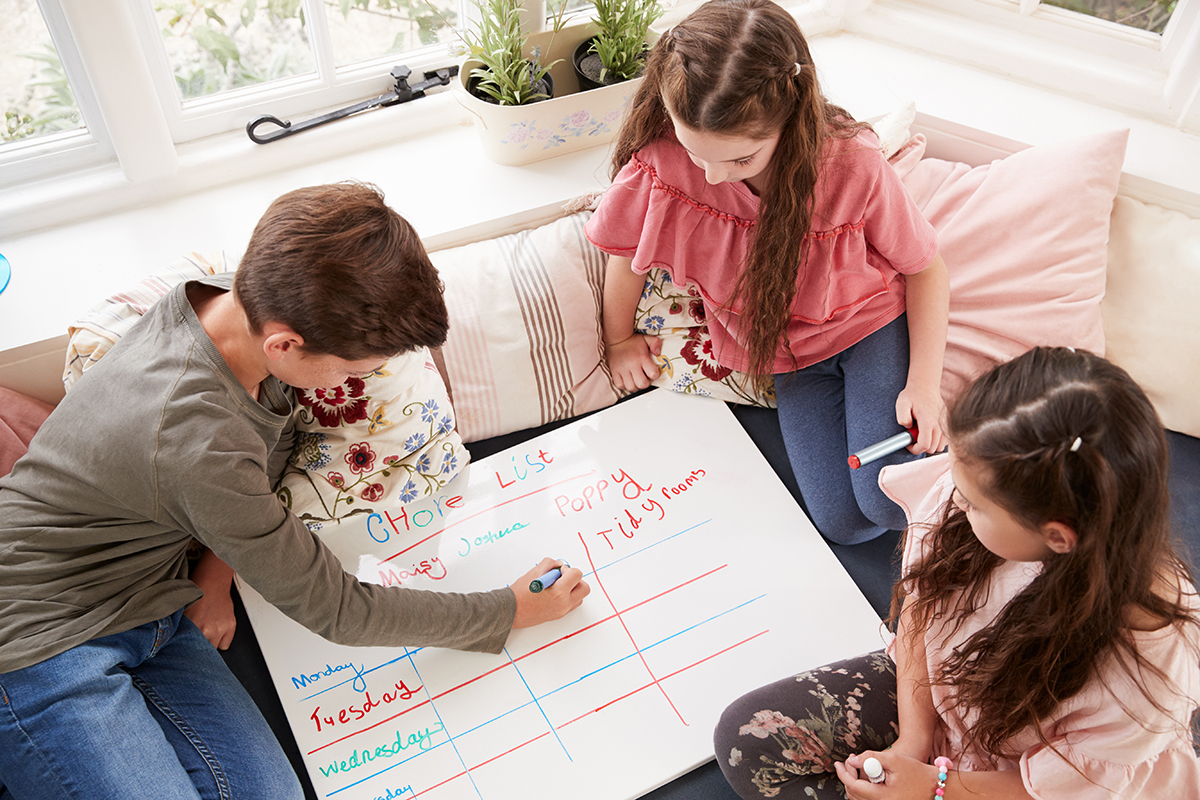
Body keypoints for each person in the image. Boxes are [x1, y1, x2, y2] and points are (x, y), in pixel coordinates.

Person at [0, 182, 590, 800]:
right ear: (285, 344)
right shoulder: (195, 435)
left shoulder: (244, 299)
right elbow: (337, 609)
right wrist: (509, 609)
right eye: (352, 371)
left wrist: (214, 573)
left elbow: (244, 480)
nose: (357, 385)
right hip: (38, 636)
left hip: (151, 599)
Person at [714, 346, 1200, 799]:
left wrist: (936, 787)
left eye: (974, 503)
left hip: (1032, 782)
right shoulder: (974, 481)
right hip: (944, 702)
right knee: (745, 742)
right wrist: (913, 741)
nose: (952, 496)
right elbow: (921, 612)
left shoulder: (1149, 668)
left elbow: (1060, 786)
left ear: (1057, 537)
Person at [585, 0, 949, 546]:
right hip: (790, 357)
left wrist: (924, 382)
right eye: (695, 151)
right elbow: (624, 251)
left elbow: (926, 269)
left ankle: (973, 471)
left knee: (886, 497)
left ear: (789, 118)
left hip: (869, 329)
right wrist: (618, 339)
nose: (711, 175)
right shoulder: (664, 162)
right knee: (845, 526)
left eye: (740, 160)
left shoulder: (851, 164)